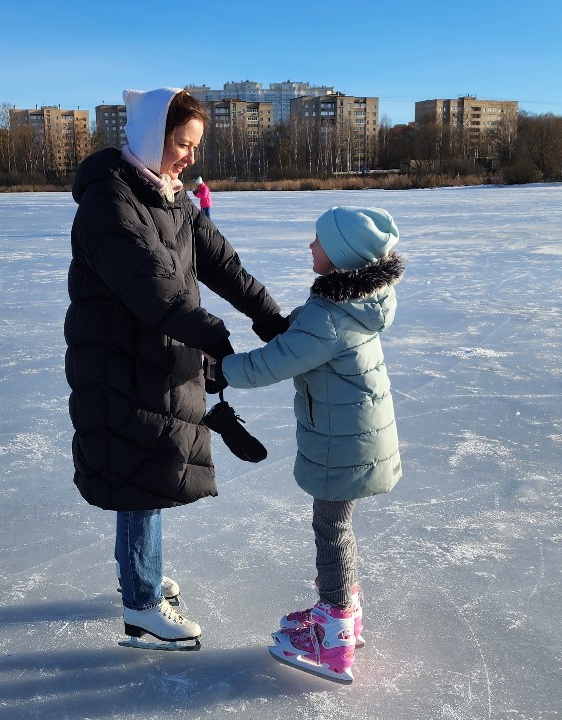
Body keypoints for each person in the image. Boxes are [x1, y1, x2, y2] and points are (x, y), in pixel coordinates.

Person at [65, 87, 288, 650]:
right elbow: (154, 287)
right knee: (140, 473)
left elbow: (224, 265)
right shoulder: (110, 199)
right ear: (151, 137)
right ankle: (141, 604)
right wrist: (218, 340)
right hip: (119, 362)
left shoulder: (171, 197)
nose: (191, 157)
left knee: (150, 468)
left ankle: (139, 571)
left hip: (160, 356)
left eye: (195, 146)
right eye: (183, 144)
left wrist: (271, 319)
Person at [215, 206, 404, 683]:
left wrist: (219, 371)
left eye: (318, 240)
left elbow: (273, 363)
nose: (310, 246)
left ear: (339, 256)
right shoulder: (353, 303)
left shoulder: (329, 317)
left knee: (331, 528)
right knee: (337, 524)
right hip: (357, 434)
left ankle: (334, 635)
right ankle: (344, 612)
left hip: (343, 442)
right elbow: (305, 334)